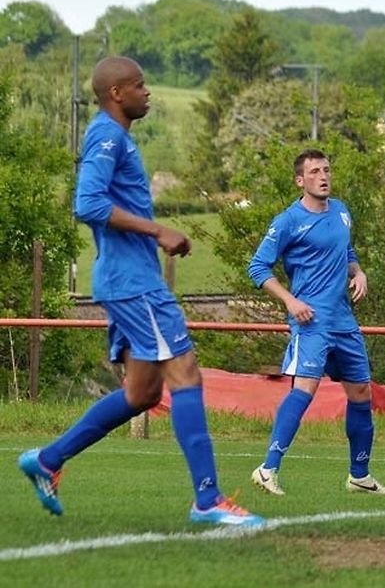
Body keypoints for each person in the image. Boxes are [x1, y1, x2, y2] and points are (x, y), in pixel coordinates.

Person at [17, 57, 263, 527]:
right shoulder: (107, 136)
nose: (147, 92)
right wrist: (158, 230)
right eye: (139, 85)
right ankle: (208, 500)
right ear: (116, 93)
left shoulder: (115, 136)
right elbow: (87, 203)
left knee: (142, 393)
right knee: (186, 373)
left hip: (125, 281)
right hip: (135, 284)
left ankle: (48, 460)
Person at [246, 149, 385, 498]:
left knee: (361, 393)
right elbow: (257, 267)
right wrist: (291, 301)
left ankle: (360, 476)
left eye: (326, 169)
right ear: (300, 180)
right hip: (311, 321)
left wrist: (358, 272)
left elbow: (346, 252)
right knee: (304, 390)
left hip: (344, 321)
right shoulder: (287, 221)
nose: (323, 176)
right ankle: (267, 469)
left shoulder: (341, 211)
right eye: (314, 172)